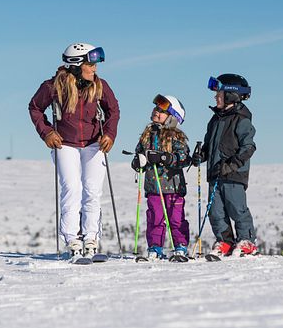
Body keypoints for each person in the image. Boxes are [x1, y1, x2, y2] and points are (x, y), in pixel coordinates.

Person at [28, 42, 120, 259]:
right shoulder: (53, 86)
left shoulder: (100, 85)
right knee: (72, 188)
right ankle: (72, 240)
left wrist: (109, 134)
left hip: (94, 144)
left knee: (92, 190)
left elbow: (113, 111)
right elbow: (35, 108)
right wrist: (47, 133)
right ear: (76, 65)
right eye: (90, 64)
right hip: (65, 144)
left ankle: (91, 239)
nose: (95, 68)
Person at [194, 73, 258, 257]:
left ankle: (246, 241)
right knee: (215, 211)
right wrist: (201, 155)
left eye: (219, 94)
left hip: (233, 175)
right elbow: (208, 145)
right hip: (215, 173)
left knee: (236, 208)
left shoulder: (241, 119)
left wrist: (232, 165)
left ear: (231, 95)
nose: (216, 97)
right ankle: (225, 241)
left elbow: (249, 147)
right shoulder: (215, 119)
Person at [131, 94, 191, 260]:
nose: (157, 112)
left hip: (173, 186)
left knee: (176, 218)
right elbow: (138, 154)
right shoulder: (147, 135)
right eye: (156, 108)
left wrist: (166, 158)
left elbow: (184, 157)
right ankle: (155, 247)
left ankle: (180, 246)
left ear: (172, 117)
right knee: (155, 218)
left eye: (162, 111)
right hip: (154, 187)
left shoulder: (175, 136)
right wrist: (138, 162)